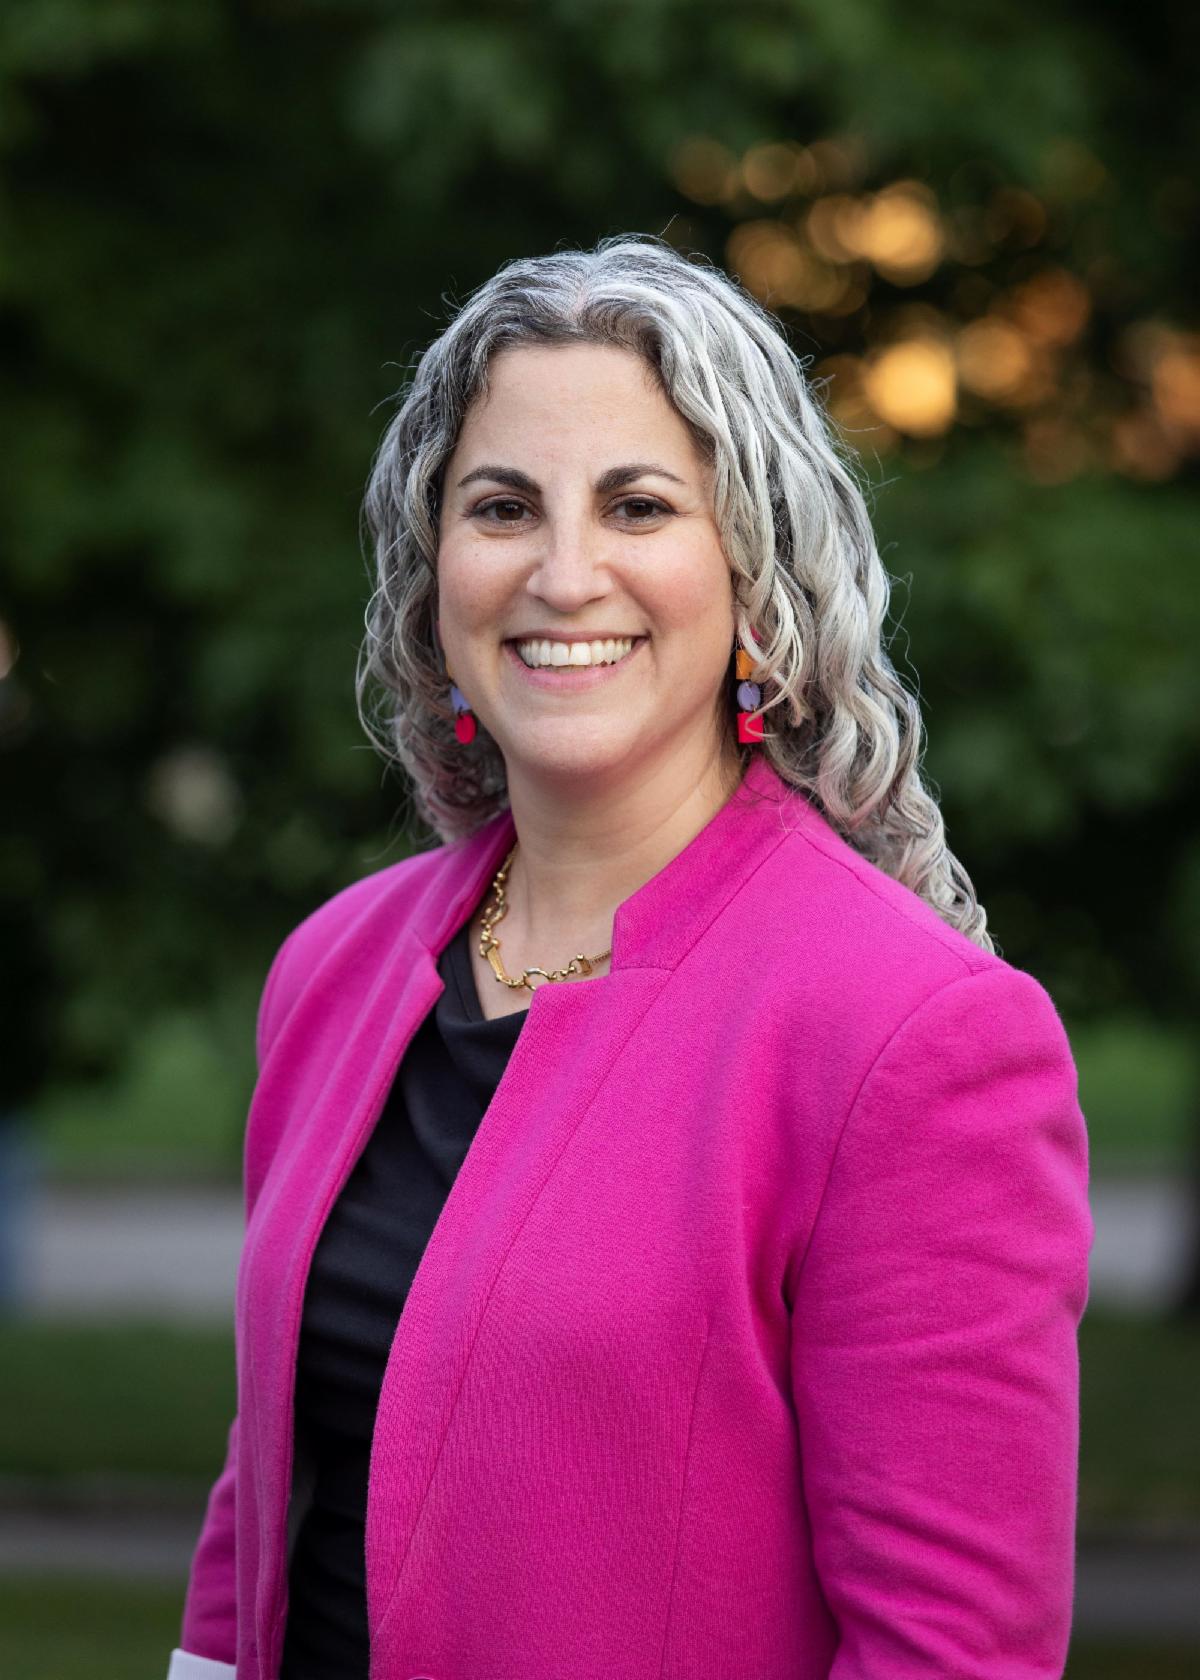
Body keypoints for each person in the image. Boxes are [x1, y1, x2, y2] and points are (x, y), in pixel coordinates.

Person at [168, 235, 1093, 1680]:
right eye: (502, 506)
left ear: (754, 570)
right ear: (435, 568)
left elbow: (950, 1654)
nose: (564, 570)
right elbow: (264, 1502)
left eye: (639, 504)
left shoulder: (913, 1036)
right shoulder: (334, 971)